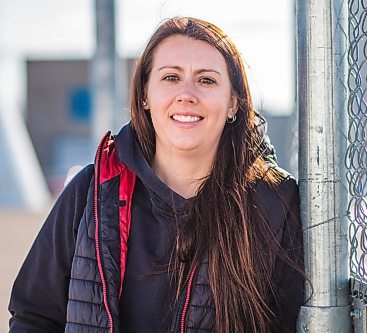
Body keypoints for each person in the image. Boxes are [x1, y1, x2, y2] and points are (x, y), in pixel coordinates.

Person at [9, 17, 304, 333]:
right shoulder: (92, 192)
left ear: (233, 102)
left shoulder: (274, 202)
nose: (186, 94)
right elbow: (34, 317)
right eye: (171, 77)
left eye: (206, 80)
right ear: (145, 95)